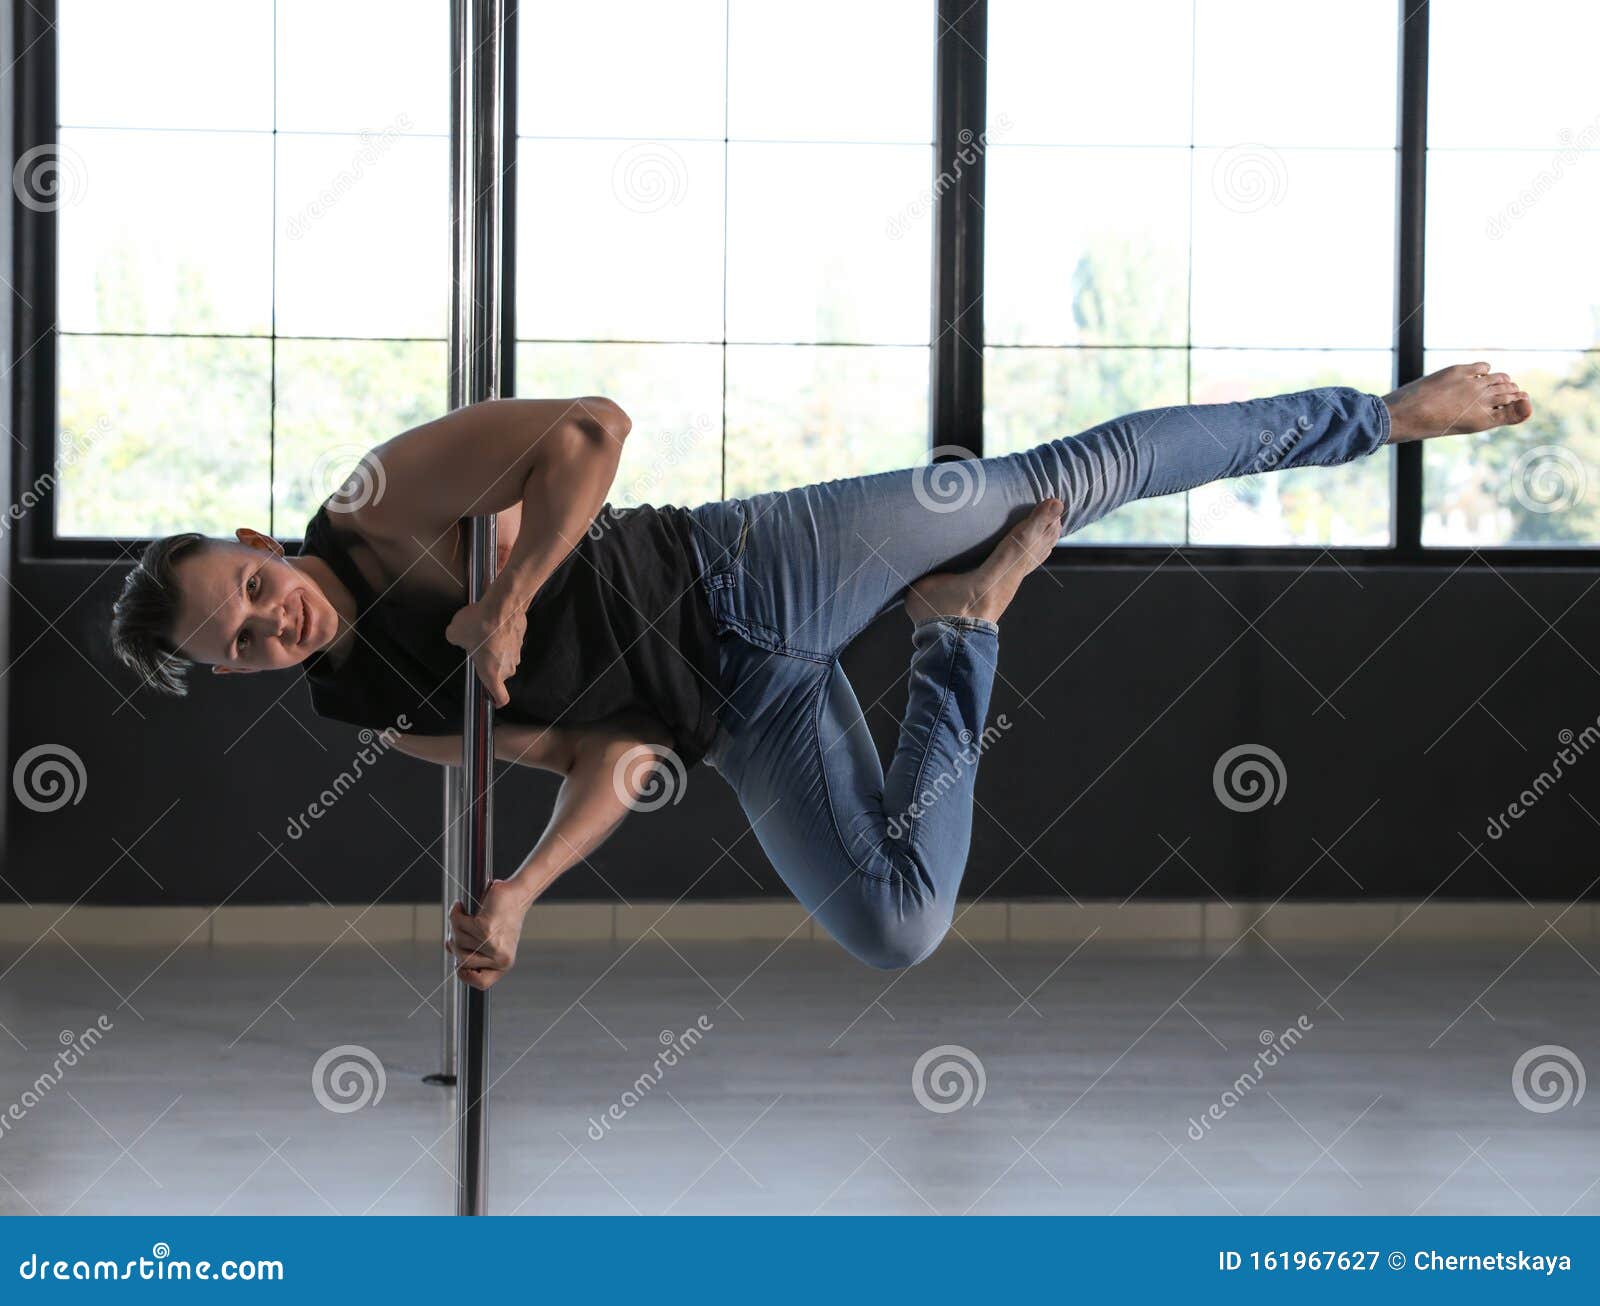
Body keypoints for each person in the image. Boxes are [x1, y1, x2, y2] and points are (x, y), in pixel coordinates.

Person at [108, 363, 1532, 986]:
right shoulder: (374, 710)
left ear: (253, 542)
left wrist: (517, 594)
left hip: (754, 569)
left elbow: (592, 431)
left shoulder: (369, 510)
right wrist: (523, 896)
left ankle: (1384, 415)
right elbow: (608, 757)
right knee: (896, 927)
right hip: (741, 714)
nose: (264, 624)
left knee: (1062, 478)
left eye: (245, 591)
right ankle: (964, 627)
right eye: (233, 645)